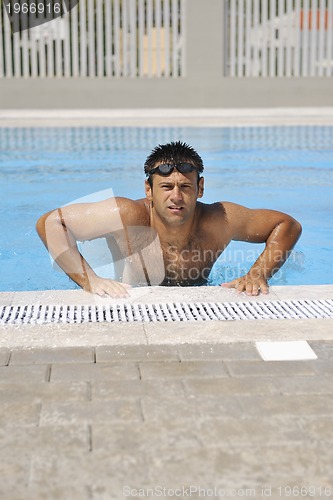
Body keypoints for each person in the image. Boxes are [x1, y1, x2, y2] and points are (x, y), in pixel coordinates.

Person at [36, 141, 302, 298]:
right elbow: (50, 223)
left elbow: (287, 225)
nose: (176, 196)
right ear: (148, 190)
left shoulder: (221, 219)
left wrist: (257, 274)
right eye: (166, 187)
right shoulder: (128, 216)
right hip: (134, 299)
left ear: (200, 188)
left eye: (185, 187)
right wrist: (90, 280)